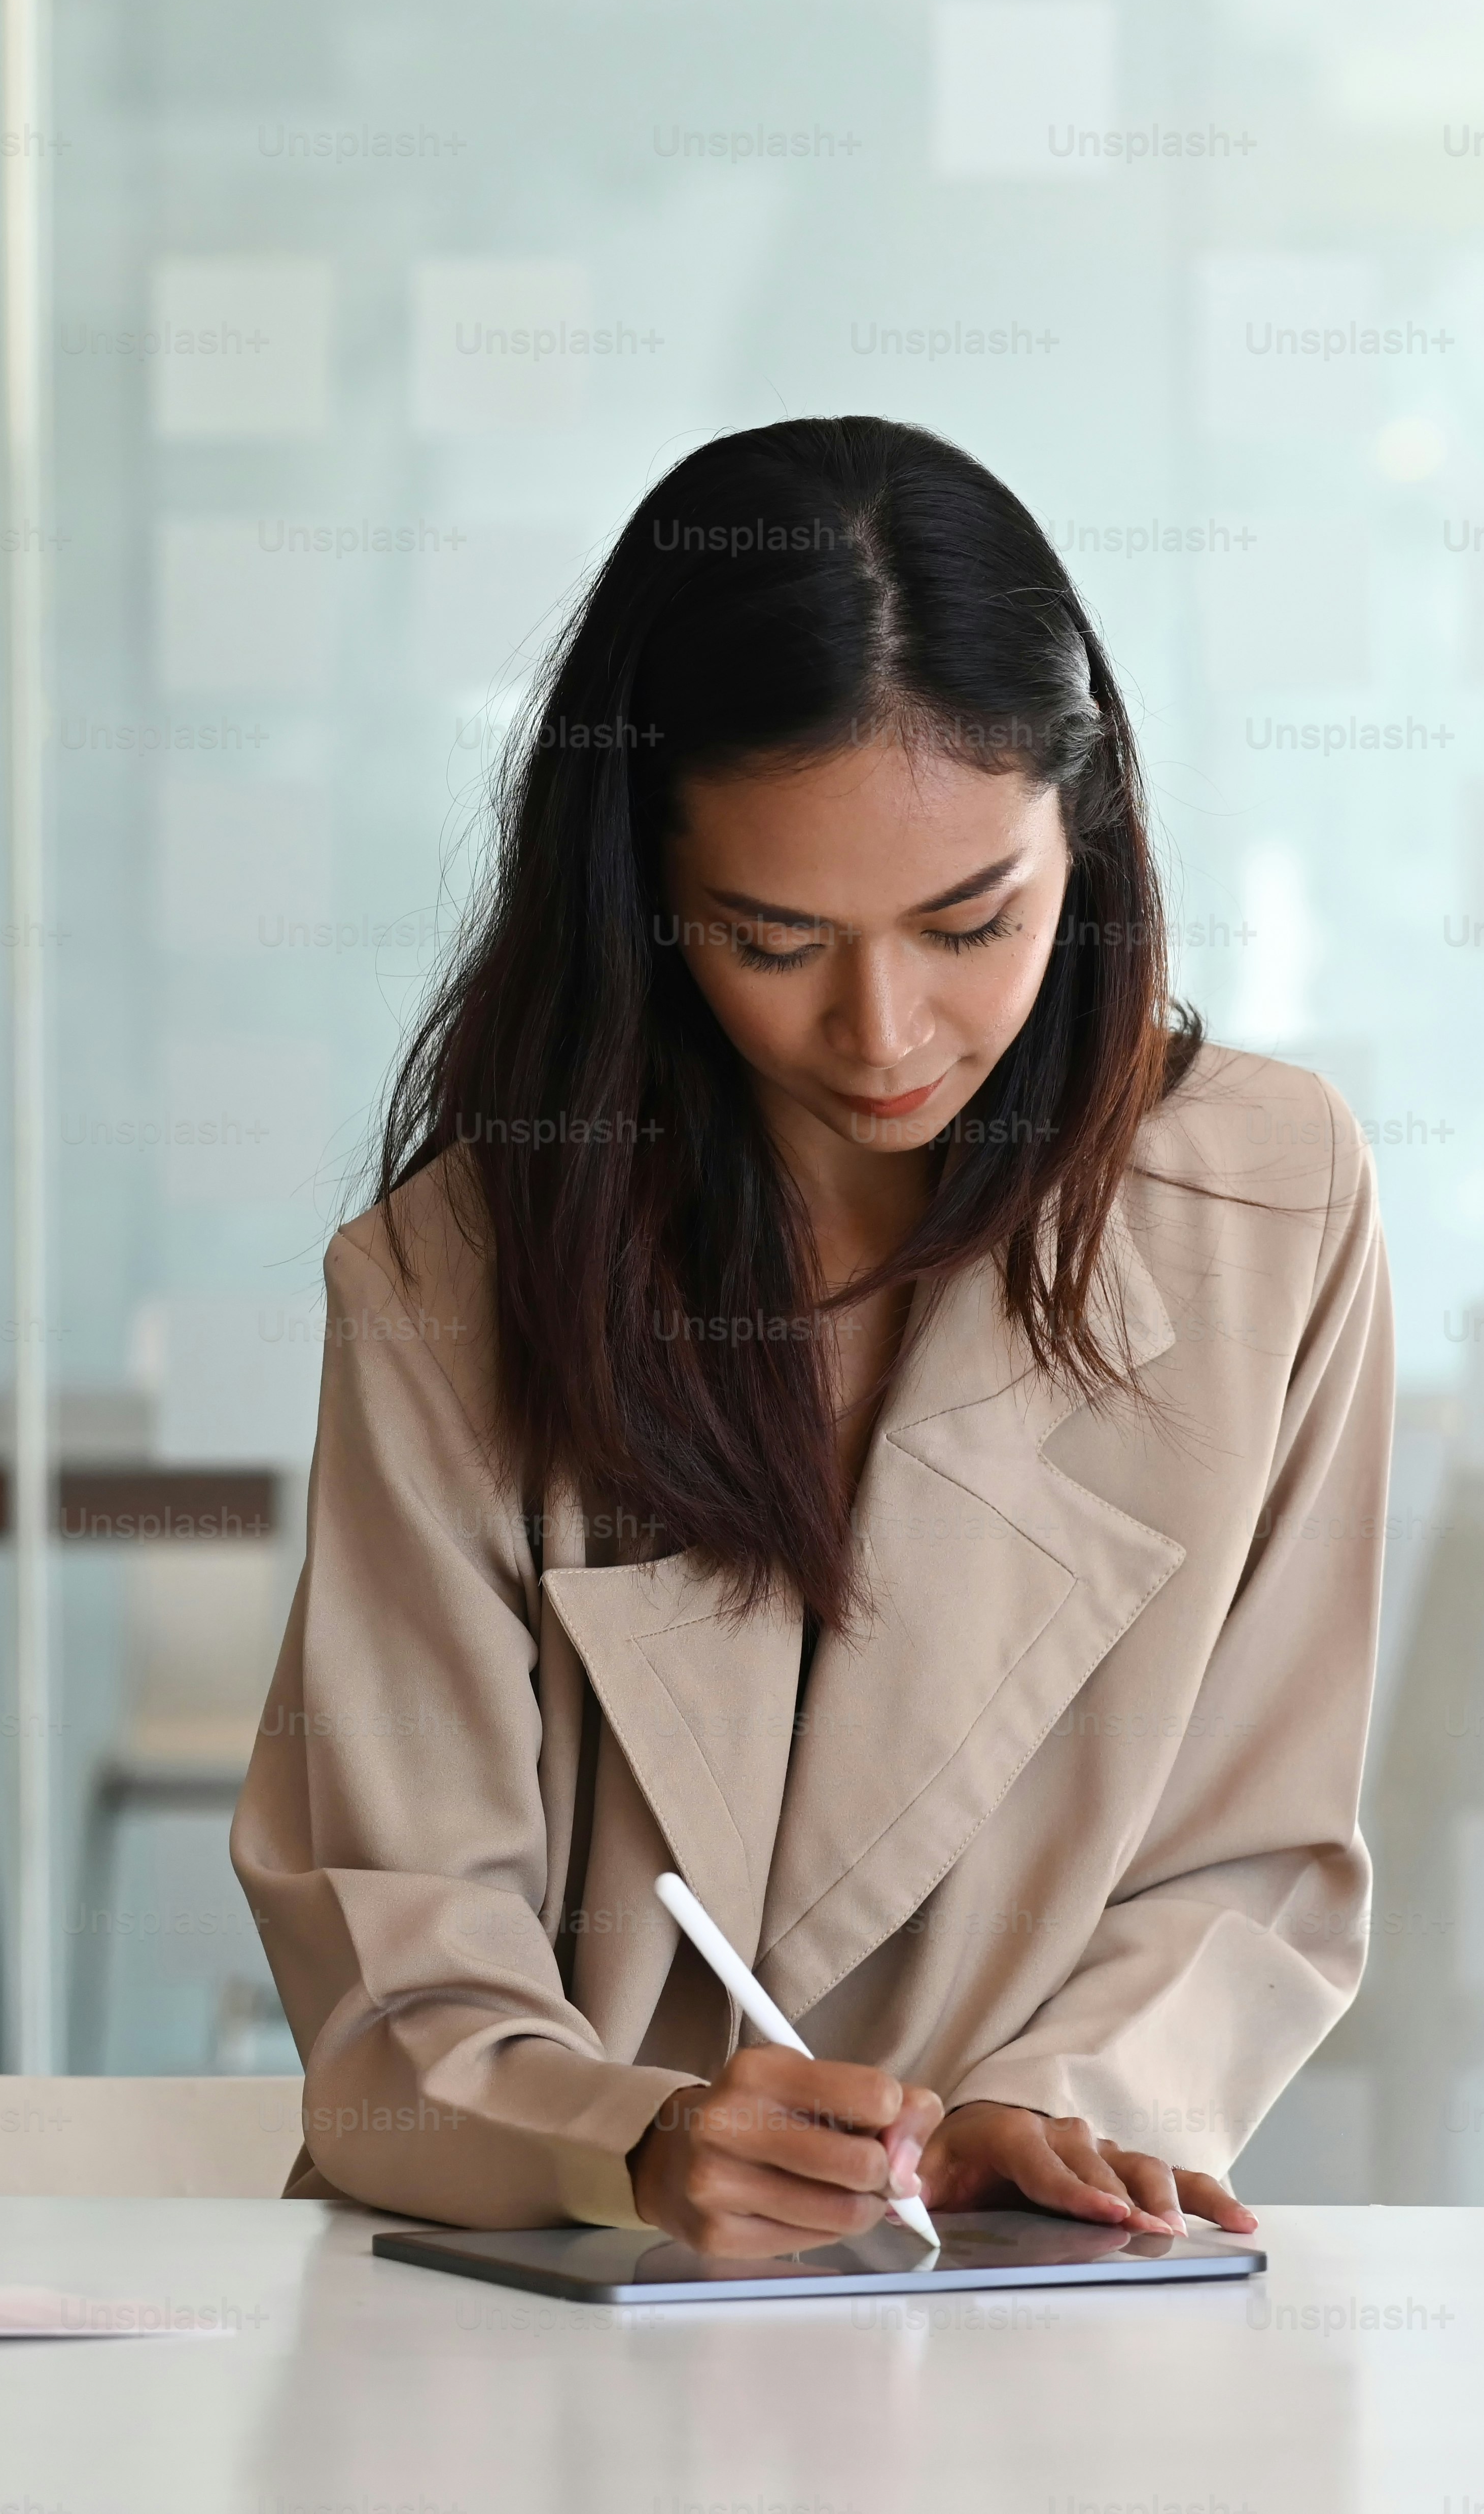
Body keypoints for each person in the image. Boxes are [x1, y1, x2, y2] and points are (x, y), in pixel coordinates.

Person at [233, 416, 1386, 2252]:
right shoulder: (456, 1278)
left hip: (1030, 2295)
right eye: (773, 941)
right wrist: (629, 2139)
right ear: (648, 899)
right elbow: (398, 1966)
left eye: (971, 923)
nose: (885, 1030)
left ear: (1078, 841)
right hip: (556, 2305)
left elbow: (1253, 1845)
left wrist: (1061, 2103)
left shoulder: (1266, 1201)